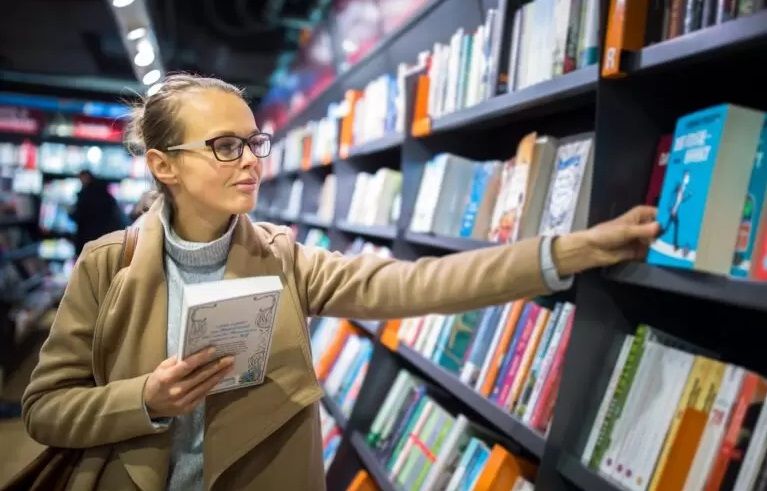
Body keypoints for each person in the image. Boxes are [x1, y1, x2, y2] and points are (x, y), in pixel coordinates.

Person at [21, 74, 659, 490]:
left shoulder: (286, 259)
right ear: (164, 165)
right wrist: (147, 400)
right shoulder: (107, 265)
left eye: (254, 142)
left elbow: (418, 286)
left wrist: (568, 252)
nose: (250, 160)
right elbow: (46, 410)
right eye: (223, 146)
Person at [70, 170, 127, 254]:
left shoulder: (86, 196)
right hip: (104, 238)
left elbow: (79, 215)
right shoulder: (106, 195)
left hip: (87, 238)